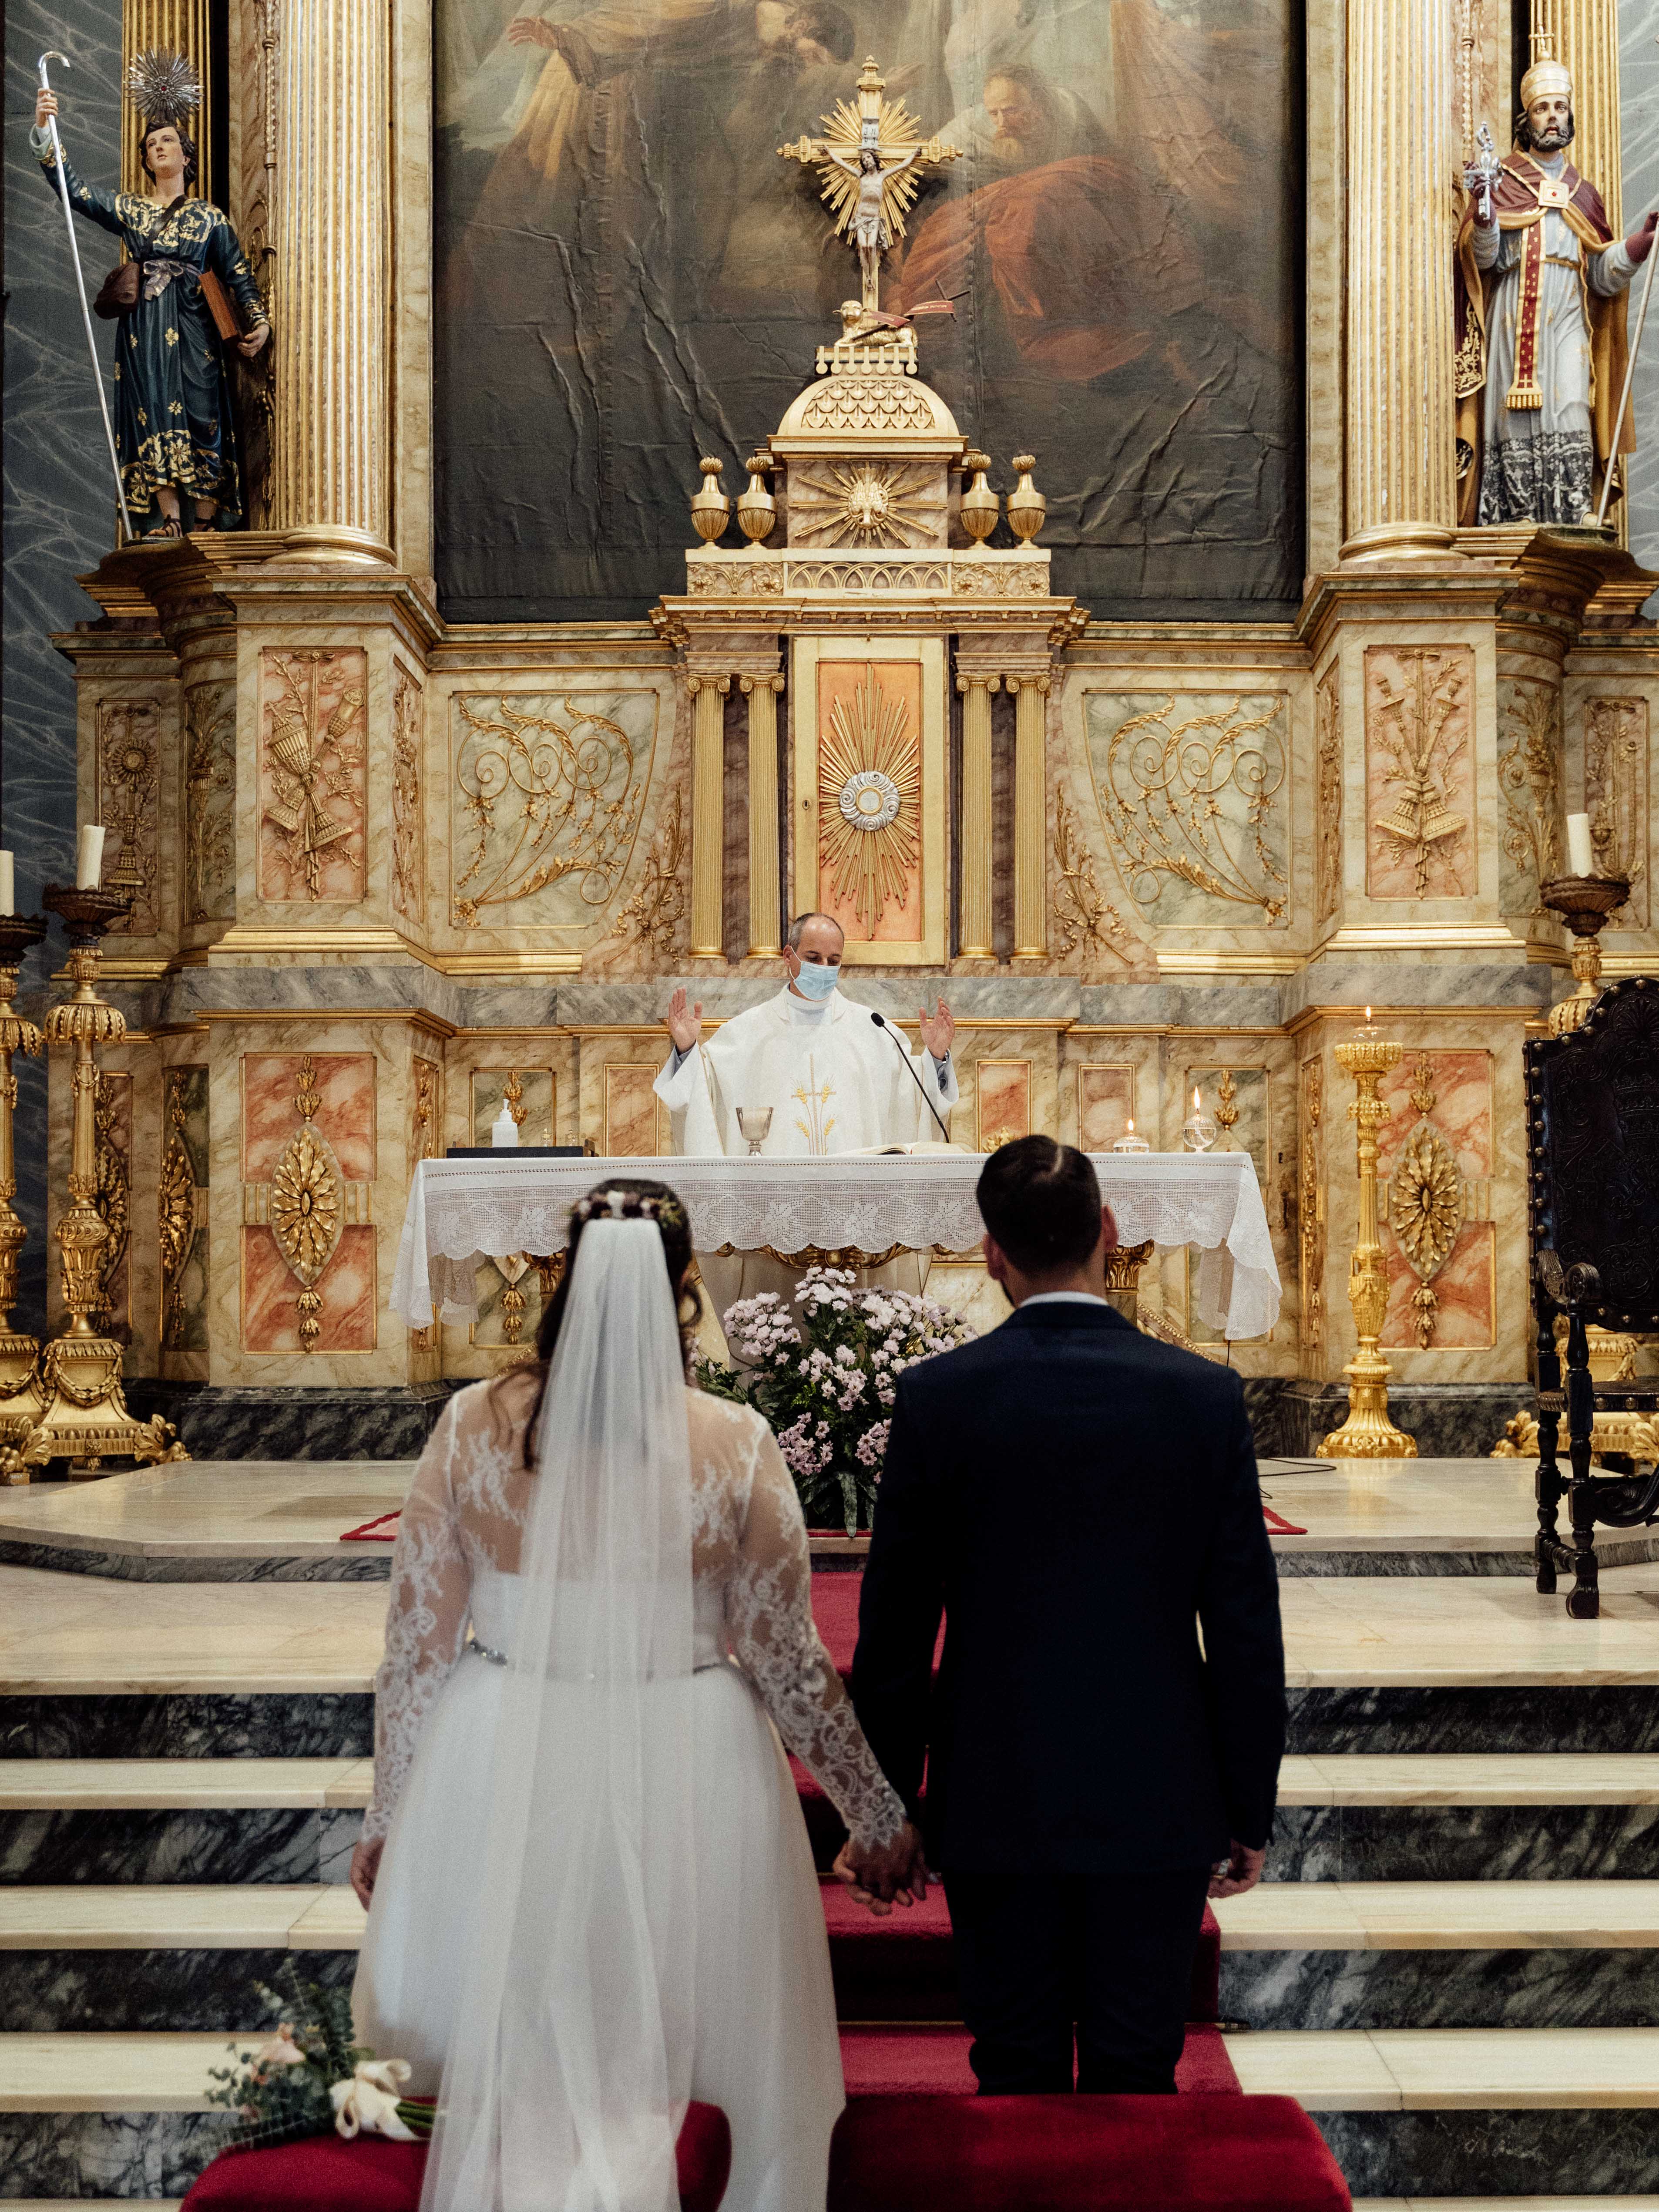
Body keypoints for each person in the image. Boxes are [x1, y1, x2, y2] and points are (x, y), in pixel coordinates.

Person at [350, 1177, 923, 2211]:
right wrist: (872, 1813)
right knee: (689, 2037)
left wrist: (389, 1814)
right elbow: (786, 1656)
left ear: (566, 1278)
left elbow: (417, 1646)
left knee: (524, 2033)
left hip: (500, 1746)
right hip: (689, 1757)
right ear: (683, 1289)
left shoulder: (468, 1427)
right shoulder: (733, 1441)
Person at [845, 1134, 1285, 2095]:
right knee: (1139, 2070)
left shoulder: (937, 1397)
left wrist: (884, 1808)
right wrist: (1246, 1804)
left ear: (991, 1253)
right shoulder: (1202, 1397)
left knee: (1013, 2067)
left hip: (995, 1789)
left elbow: (894, 1633)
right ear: (1110, 1233)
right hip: (1160, 1792)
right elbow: (1246, 1627)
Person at [31, 86, 269, 538]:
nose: (159, 148)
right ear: (146, 159)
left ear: (185, 157)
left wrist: (258, 319)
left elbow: (238, 273)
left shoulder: (209, 217)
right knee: (153, 408)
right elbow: (76, 191)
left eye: (168, 142)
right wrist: (45, 131)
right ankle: (170, 518)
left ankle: (204, 520)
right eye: (151, 145)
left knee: (203, 409)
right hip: (145, 326)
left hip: (195, 324)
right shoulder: (132, 209)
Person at [1455, 53, 1658, 527]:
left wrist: (1635, 245)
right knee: (1512, 415)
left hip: (1567, 310)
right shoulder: (1502, 180)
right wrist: (1484, 213)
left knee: (1570, 402)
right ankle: (1514, 514)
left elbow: (1601, 276)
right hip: (1510, 309)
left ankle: (1572, 510)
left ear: (1569, 116)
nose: (1552, 117)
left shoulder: (1583, 193)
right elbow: (1480, 260)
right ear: (1527, 120)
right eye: (1542, 108)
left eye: (1559, 108)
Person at [654, 911, 957, 1157]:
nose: (824, 968)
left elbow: (915, 1103)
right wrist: (686, 1048)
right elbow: (701, 1095)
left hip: (856, 1196)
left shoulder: (875, 1031)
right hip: (775, 1198)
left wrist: (935, 1057)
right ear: (789, 956)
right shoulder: (746, 1033)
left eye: (834, 961)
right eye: (813, 958)